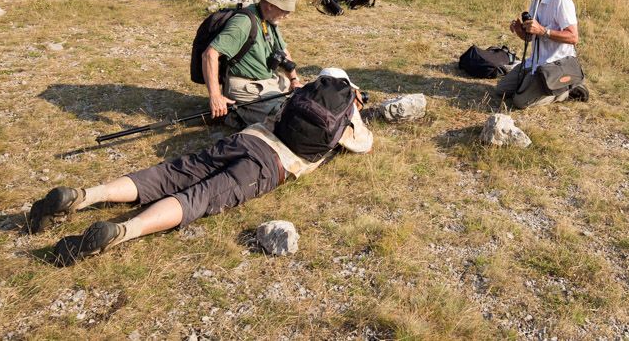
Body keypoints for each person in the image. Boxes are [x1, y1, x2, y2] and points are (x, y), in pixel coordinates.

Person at [27, 69, 373, 266]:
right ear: (351, 91)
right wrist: (357, 110)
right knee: (200, 197)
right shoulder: (348, 114)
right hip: (271, 165)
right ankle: (124, 232)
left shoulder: (301, 94)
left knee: (170, 173)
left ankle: (84, 195)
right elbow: (362, 145)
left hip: (247, 139)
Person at [204, 0, 302, 127]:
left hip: (268, 81)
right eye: (285, 10)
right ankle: (234, 115)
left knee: (301, 99)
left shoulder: (269, 19)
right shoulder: (243, 22)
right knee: (284, 116)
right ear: (270, 5)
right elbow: (209, 55)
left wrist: (294, 80)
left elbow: (283, 51)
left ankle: (248, 112)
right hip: (246, 85)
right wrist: (215, 96)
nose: (287, 15)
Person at [495, 0, 588, 108]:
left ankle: (565, 90)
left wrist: (544, 31)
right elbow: (530, 37)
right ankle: (545, 86)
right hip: (536, 63)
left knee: (519, 102)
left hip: (555, 64)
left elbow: (573, 37)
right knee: (502, 90)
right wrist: (521, 30)